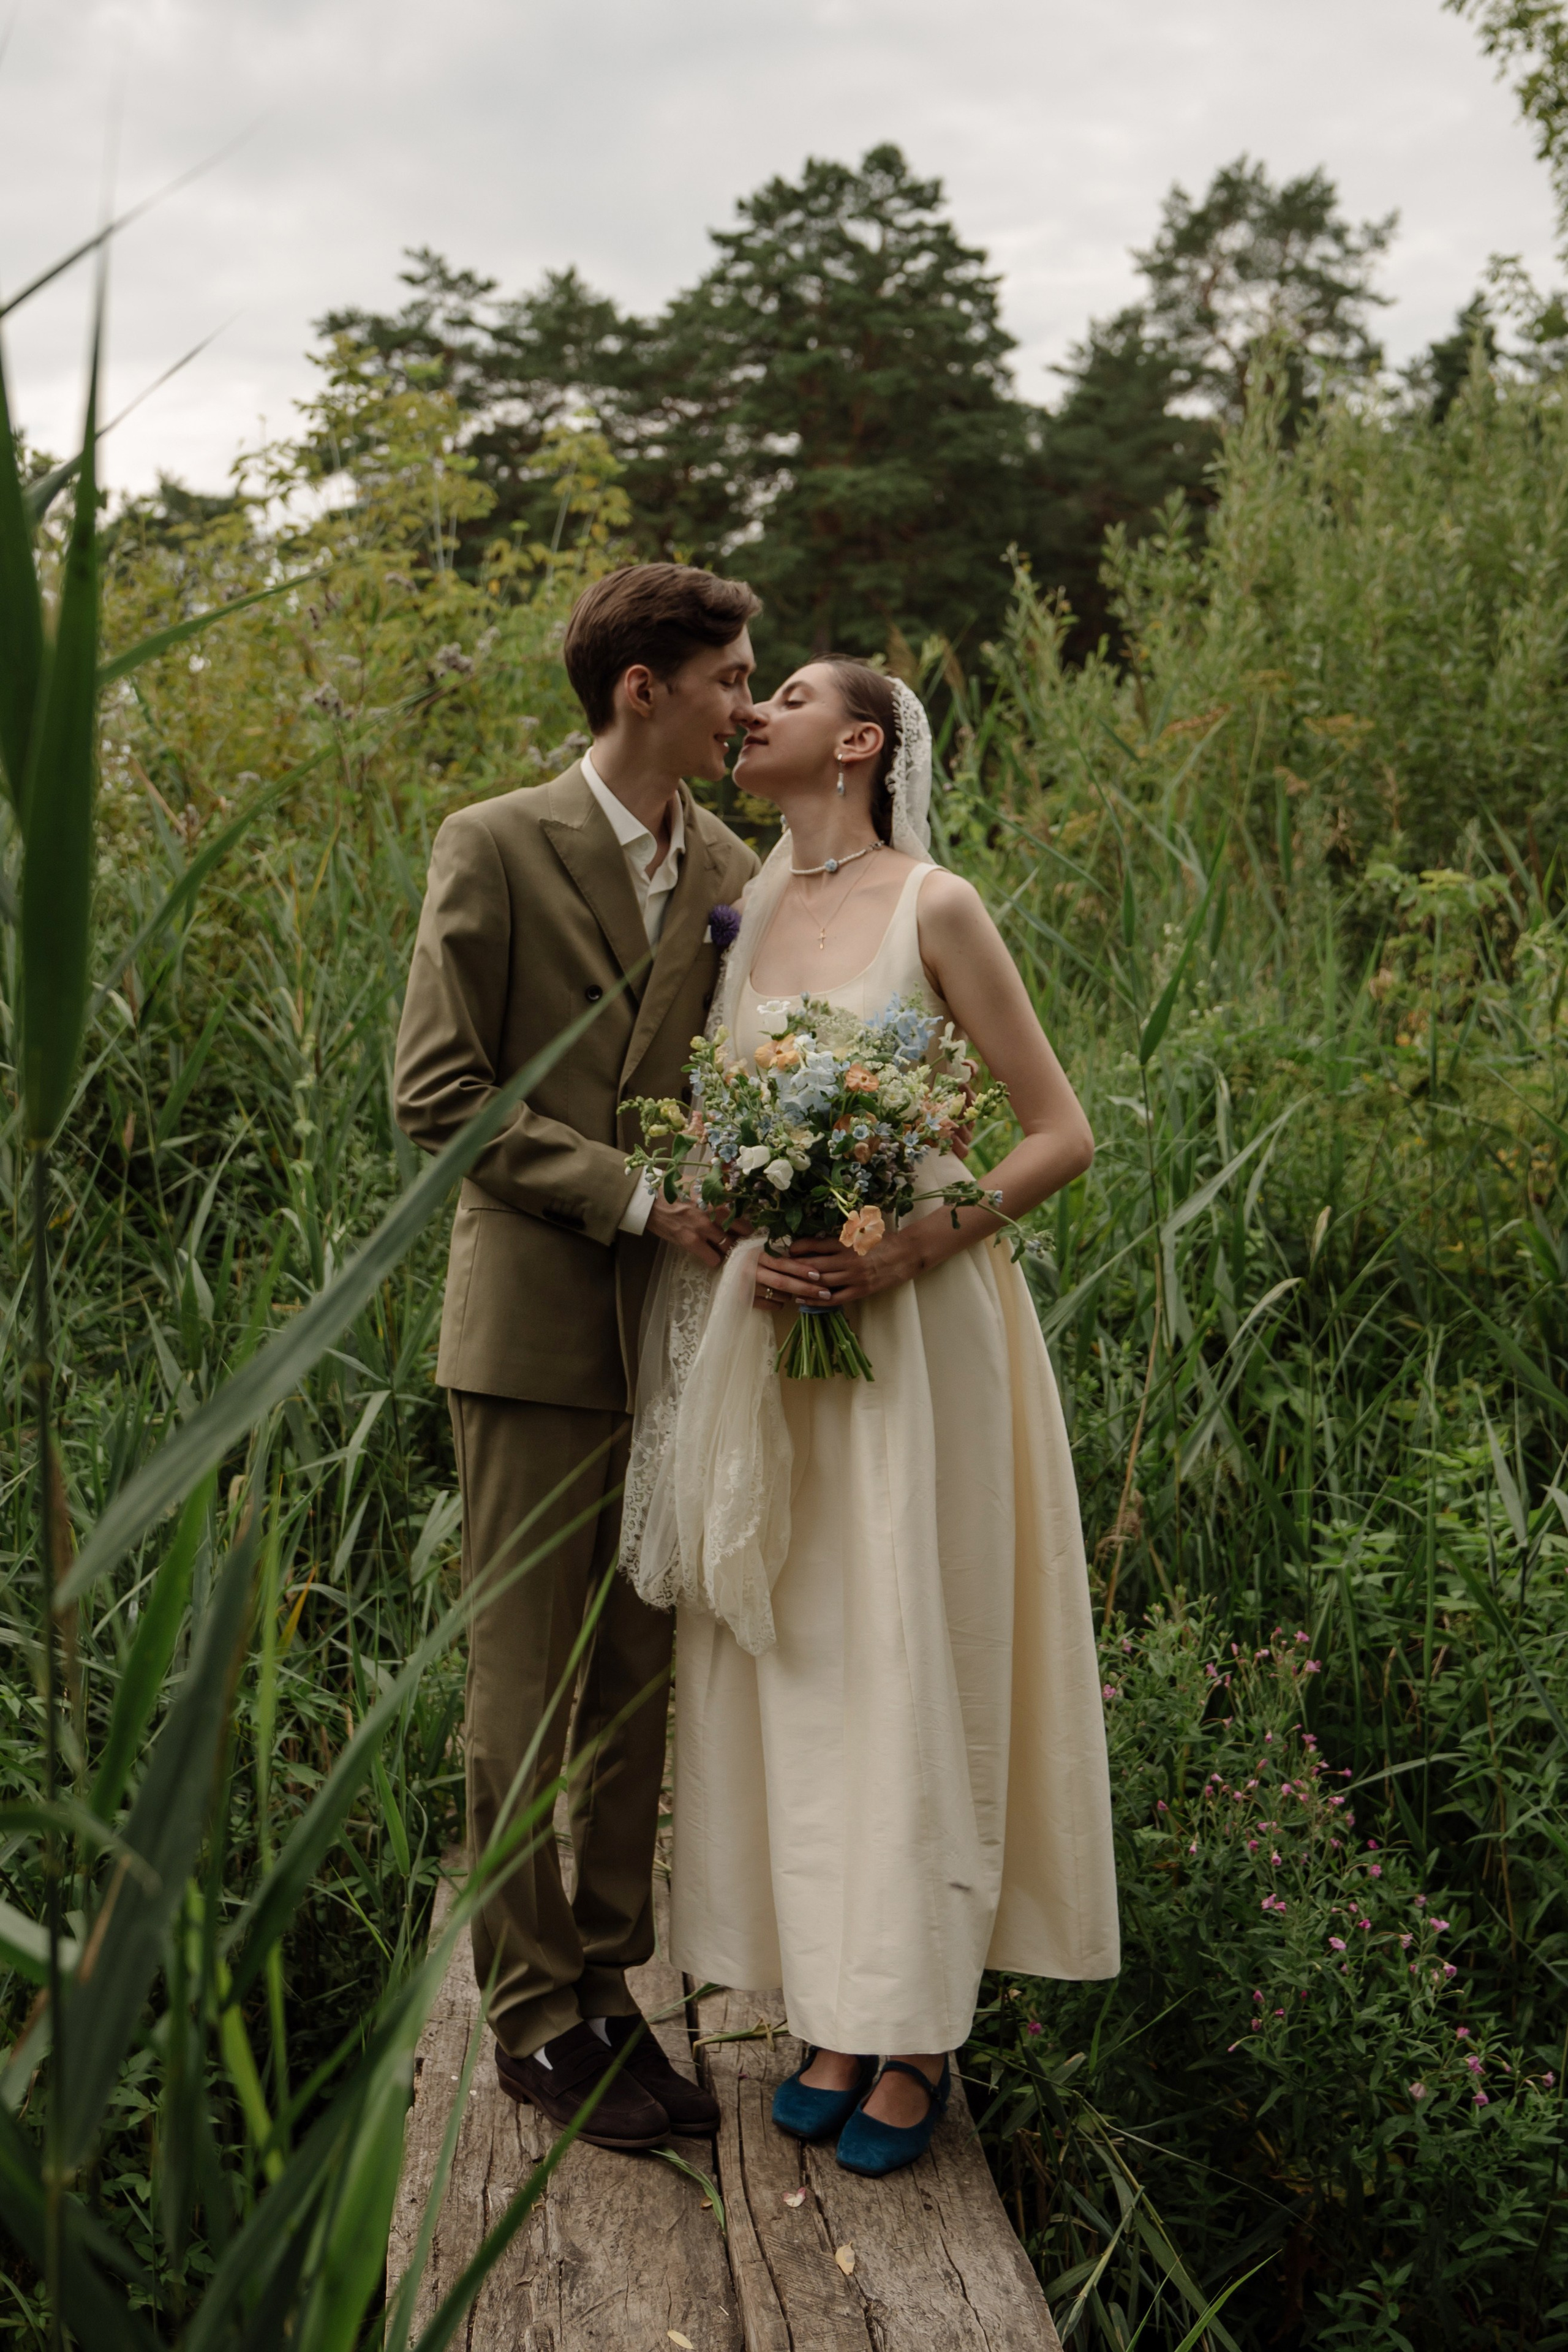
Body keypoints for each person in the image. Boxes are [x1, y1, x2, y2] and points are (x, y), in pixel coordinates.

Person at [623, 659, 1119, 2178]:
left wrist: (911, 1237)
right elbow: (717, 1119)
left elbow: (1058, 1133)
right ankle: (835, 2008)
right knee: (803, 1656)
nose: (747, 713)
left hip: (914, 1331)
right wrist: (739, 1211)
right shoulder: (746, 911)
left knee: (910, 1649)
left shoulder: (936, 906)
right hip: (775, 1336)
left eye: (780, 694)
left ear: (856, 741)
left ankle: (915, 2037)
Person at [393, 563, 760, 2152]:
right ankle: (533, 2018)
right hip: (535, 1334)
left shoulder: (734, 862)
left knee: (633, 1687)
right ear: (643, 690)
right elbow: (438, 1095)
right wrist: (629, 1194)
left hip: (676, 1341)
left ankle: (611, 1980)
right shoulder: (493, 843)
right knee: (521, 1693)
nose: (746, 705)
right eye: (729, 678)